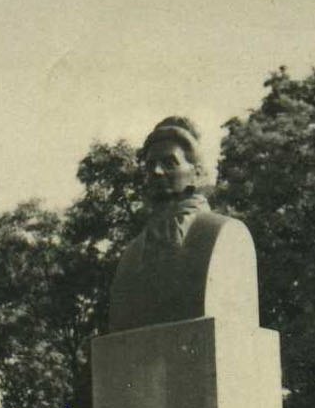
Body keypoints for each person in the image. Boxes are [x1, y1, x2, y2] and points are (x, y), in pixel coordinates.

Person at [106, 117, 259, 332]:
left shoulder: (223, 234)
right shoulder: (131, 255)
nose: (157, 172)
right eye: (151, 166)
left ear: (196, 173)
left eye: (170, 163)